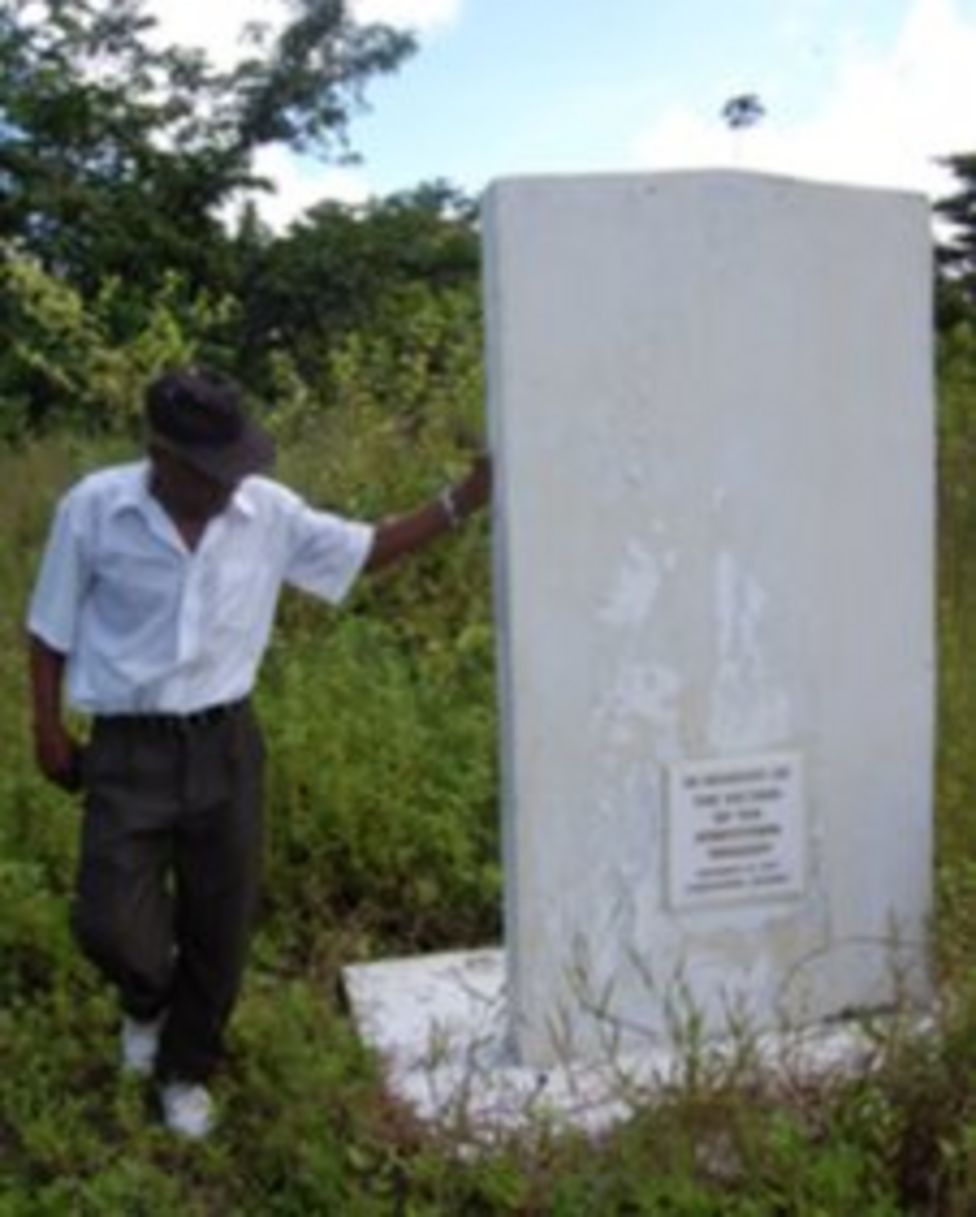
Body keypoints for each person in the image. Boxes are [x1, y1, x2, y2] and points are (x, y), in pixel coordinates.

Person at [26, 366, 490, 1140]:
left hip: (225, 745)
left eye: (234, 466)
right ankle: (148, 998)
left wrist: (463, 500)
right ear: (160, 456)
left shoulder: (265, 512)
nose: (228, 485)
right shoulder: (95, 510)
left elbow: (364, 550)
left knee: (221, 919)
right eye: (211, 471)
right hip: (128, 747)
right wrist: (45, 728)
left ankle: (185, 1070)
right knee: (108, 921)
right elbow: (49, 628)